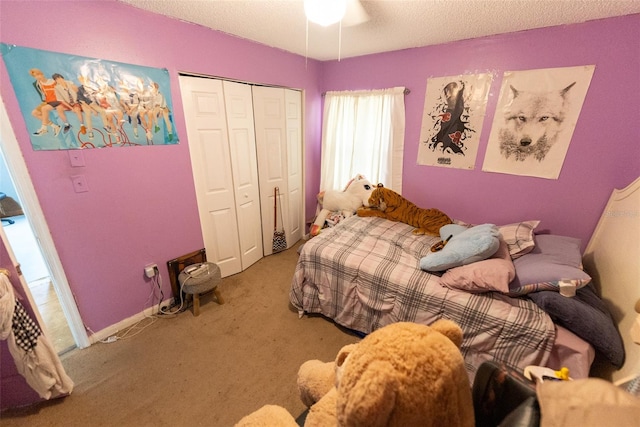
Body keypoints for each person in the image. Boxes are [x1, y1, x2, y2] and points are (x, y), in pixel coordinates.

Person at [28, 68, 61, 136]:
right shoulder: (38, 84)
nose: (37, 77)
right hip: (47, 101)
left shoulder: (53, 81)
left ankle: (44, 128)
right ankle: (55, 126)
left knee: (44, 109)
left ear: (42, 74)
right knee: (34, 113)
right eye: (35, 76)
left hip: (57, 100)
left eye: (38, 75)